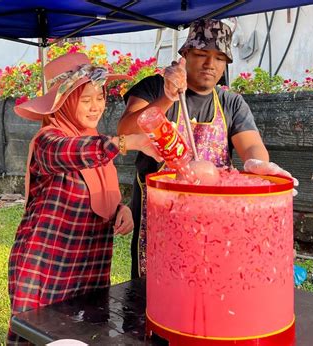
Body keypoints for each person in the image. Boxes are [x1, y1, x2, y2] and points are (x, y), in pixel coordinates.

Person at [117, 19, 298, 279]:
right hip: (161, 218)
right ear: (185, 55)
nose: (209, 64)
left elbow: (252, 146)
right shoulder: (155, 88)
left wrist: (258, 164)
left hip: (214, 222)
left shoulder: (231, 103)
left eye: (218, 58)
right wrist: (167, 97)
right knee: (157, 294)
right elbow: (126, 130)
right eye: (201, 54)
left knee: (210, 284)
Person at [8, 52, 161, 344]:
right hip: (48, 267)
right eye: (85, 99)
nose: (96, 107)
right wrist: (130, 141)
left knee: (83, 336)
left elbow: (99, 191)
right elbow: (73, 153)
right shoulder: (48, 140)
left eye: (100, 97)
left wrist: (121, 209)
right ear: (64, 102)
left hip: (89, 268)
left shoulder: (97, 141)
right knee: (38, 337)